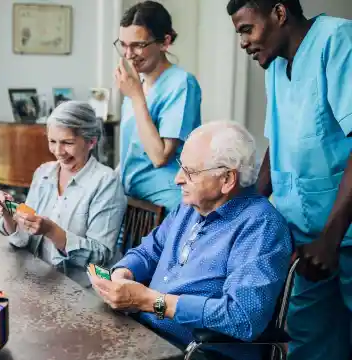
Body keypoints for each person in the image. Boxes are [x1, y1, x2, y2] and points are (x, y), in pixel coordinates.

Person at [91, 121, 293, 360]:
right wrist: (123, 273)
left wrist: (152, 302)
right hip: (147, 335)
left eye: (189, 172)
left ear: (227, 179)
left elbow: (242, 317)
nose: (177, 179)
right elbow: (149, 250)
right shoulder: (190, 207)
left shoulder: (260, 226)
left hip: (194, 352)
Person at [228, 1, 352, 359]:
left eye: (246, 29)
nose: (243, 42)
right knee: (309, 341)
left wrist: (331, 236)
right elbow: (276, 143)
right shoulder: (275, 64)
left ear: (279, 14)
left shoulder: (336, 41)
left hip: (341, 232)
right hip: (302, 236)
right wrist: (242, 209)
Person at [0, 101, 127, 273]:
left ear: (91, 141)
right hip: (40, 276)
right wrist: (9, 214)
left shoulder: (106, 182)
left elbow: (101, 256)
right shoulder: (43, 173)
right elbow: (24, 239)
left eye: (67, 143)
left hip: (81, 286)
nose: (58, 151)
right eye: (52, 141)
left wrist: (51, 231)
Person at [115, 1, 202, 213]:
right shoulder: (137, 85)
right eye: (123, 44)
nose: (128, 54)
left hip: (166, 206)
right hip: (134, 203)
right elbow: (130, 153)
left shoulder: (181, 83)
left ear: (165, 42)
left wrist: (136, 97)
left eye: (138, 45)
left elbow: (160, 156)